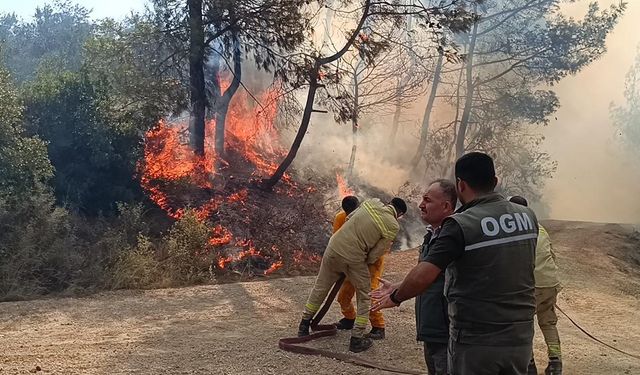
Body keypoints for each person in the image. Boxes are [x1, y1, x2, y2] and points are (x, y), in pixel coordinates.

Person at [371, 152, 539, 375]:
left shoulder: (461, 224)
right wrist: (401, 284)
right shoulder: (527, 216)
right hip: (521, 337)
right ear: (495, 181)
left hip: (477, 340)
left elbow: (424, 275)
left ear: (460, 185)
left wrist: (395, 297)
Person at [297, 197, 407, 353]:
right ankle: (356, 339)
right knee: (365, 295)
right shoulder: (393, 225)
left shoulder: (372, 202)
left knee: (320, 288)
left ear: (389, 203)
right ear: (400, 214)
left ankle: (303, 325)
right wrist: (364, 260)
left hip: (333, 249)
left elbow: (349, 218)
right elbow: (378, 252)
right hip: (354, 259)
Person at [509, 195, 563, 375]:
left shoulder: (513, 231)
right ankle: (556, 363)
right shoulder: (541, 229)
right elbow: (552, 256)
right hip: (550, 283)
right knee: (548, 323)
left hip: (530, 285)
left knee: (522, 325)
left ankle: (529, 365)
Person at [415, 179, 457, 375]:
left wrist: (396, 296)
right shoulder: (430, 236)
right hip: (431, 327)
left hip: (444, 331)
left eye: (427, 200)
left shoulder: (452, 239)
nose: (421, 205)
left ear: (446, 206)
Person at [334, 196, 387, 340]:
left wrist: (368, 258)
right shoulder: (340, 218)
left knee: (368, 295)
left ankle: (378, 326)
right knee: (343, 296)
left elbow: (383, 244)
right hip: (351, 262)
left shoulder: (372, 220)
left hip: (371, 263)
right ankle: (349, 318)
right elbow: (337, 241)